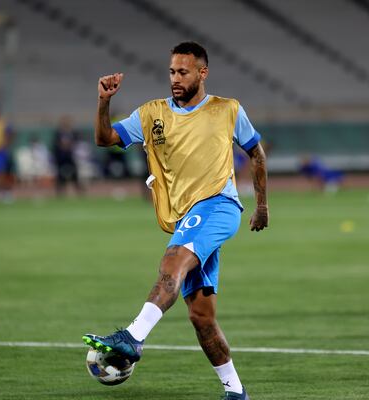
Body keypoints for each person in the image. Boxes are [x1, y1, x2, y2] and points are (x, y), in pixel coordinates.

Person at [82, 42, 268, 400]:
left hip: (219, 205)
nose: (176, 78)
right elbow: (105, 139)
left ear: (202, 73)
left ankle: (133, 337)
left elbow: (255, 152)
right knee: (201, 316)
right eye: (171, 72)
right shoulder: (152, 114)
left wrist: (262, 206)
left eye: (183, 72)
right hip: (186, 215)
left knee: (172, 260)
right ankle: (235, 392)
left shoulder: (227, 109)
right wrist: (104, 102)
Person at [52, 116, 85, 196]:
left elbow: (75, 143)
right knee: (60, 174)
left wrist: (69, 145)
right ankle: (60, 191)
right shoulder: (58, 133)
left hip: (70, 156)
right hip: (61, 157)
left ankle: (78, 189)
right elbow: (56, 144)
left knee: (74, 172)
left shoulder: (72, 133)